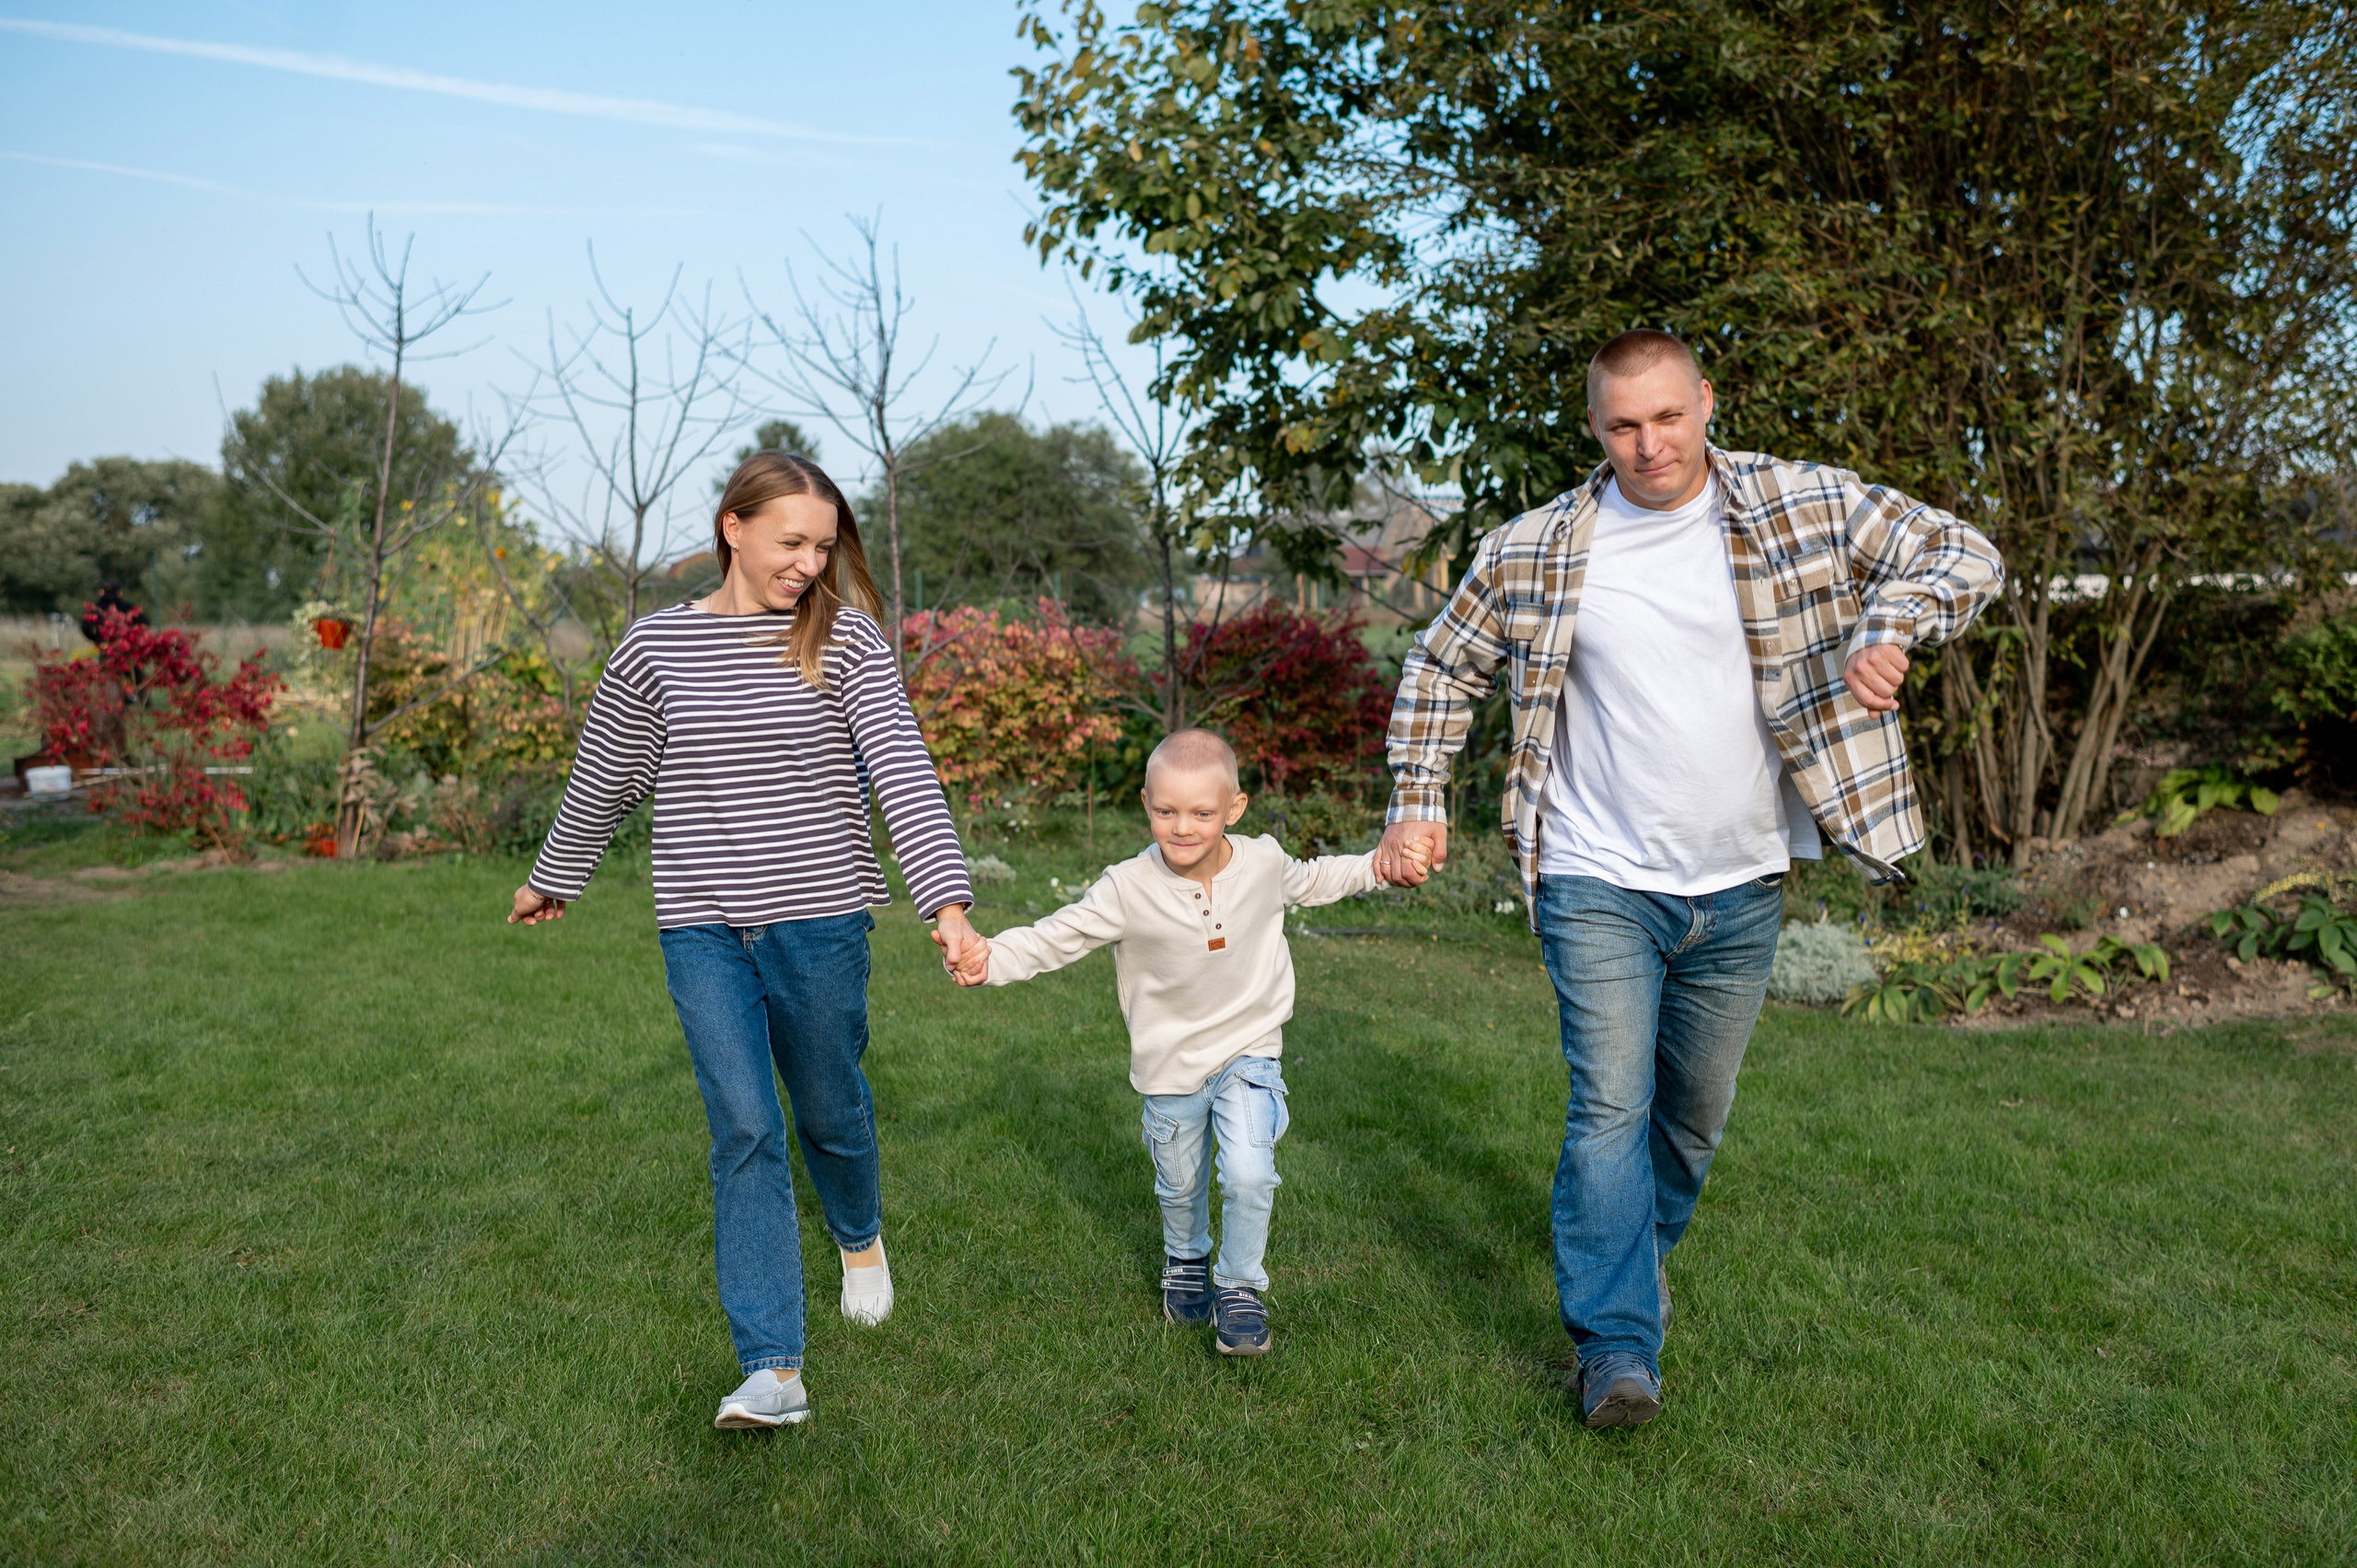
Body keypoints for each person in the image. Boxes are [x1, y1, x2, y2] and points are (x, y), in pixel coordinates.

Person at [1372, 329, 2004, 1429]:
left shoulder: (1798, 504)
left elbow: (1964, 554)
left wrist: (1889, 623)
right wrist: (1418, 793)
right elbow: (1440, 661)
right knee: (1608, 1105)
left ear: (1706, 401)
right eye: (1622, 424)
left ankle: (1633, 1254)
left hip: (1742, 874)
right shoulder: (1537, 546)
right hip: (1592, 870)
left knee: (1692, 1118)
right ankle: (1616, 1347)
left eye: (1667, 417)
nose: (1648, 444)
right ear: (1595, 427)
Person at [507, 451, 981, 1431]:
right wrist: (556, 872)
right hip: (701, 927)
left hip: (819, 918)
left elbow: (901, 769)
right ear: (734, 528)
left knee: (829, 1106)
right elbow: (608, 770)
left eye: (822, 544)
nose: (809, 562)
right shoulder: (654, 649)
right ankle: (772, 1365)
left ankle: (858, 1234)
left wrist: (946, 903)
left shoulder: (844, 642)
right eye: (791, 541)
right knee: (743, 1125)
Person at [946, 729, 1419, 1355]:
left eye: (1201, 812)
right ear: (1146, 804)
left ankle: (1240, 1287)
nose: (1183, 827)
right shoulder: (1127, 887)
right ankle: (1186, 1258)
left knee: (1250, 1170)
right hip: (1169, 1065)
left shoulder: (1262, 861)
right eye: (1166, 810)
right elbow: (1057, 937)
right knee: (1179, 1183)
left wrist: (1380, 866)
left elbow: (1314, 878)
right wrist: (991, 958)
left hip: (1248, 1048)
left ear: (1235, 808)